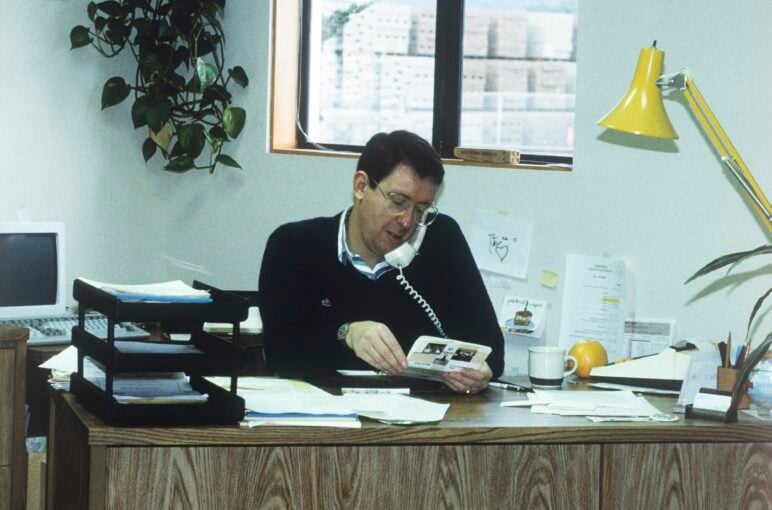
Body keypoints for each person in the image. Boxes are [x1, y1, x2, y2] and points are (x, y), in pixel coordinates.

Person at [258, 130, 504, 393]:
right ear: (361, 186)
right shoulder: (294, 245)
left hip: (423, 416)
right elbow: (280, 352)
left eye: (421, 209)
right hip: (329, 415)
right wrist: (346, 334)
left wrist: (480, 372)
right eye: (398, 201)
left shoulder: (441, 239)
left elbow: (491, 350)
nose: (407, 221)